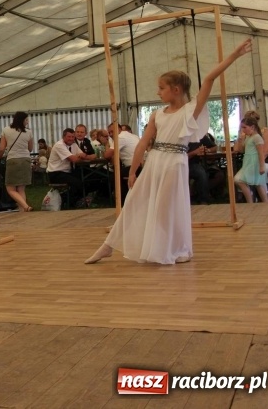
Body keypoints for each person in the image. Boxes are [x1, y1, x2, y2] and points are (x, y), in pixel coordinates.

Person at [85, 38, 253, 265]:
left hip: (175, 162)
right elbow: (144, 142)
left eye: (162, 88)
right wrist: (133, 171)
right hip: (155, 161)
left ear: (176, 89)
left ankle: (170, 248)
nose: (158, 92)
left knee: (166, 207)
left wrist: (234, 54)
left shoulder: (191, 110)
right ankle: (108, 246)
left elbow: (209, 78)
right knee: (133, 202)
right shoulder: (157, 114)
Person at [0, 111, 34, 211]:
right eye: (26, 120)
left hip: (13, 160)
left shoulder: (6, 130)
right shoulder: (29, 132)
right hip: (26, 160)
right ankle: (23, 211)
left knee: (10, 189)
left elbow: (1, 148)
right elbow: (30, 148)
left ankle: (25, 207)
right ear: (21, 120)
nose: (27, 122)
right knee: (21, 189)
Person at [233, 116, 268, 203]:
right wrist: (241, 141)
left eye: (245, 127)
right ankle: (258, 201)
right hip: (248, 162)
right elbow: (242, 150)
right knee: (258, 185)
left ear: (252, 127)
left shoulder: (257, 137)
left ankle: (251, 201)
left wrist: (261, 166)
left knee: (240, 179)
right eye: (242, 127)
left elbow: (261, 153)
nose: (243, 130)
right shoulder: (248, 137)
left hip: (254, 163)